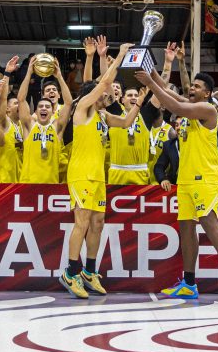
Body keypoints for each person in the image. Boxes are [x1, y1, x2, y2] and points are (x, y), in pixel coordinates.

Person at [137, 68, 218, 304]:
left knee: (209, 222)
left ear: (207, 93)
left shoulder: (208, 110)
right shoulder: (190, 106)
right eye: (192, 85)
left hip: (204, 176)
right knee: (186, 228)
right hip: (186, 178)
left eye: (197, 86)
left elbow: (176, 106)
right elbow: (171, 94)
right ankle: (189, 283)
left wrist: (151, 85)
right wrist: (154, 74)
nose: (192, 88)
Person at [60, 42, 137, 299]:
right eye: (103, 94)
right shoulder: (83, 108)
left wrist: (141, 100)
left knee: (98, 223)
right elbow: (104, 83)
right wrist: (121, 55)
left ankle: (89, 272)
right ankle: (70, 272)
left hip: (97, 176)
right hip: (81, 173)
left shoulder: (103, 117)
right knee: (81, 223)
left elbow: (125, 122)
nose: (107, 96)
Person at [17, 56, 73, 184]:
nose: (43, 108)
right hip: (28, 182)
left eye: (47, 107)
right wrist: (29, 73)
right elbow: (21, 99)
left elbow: (68, 103)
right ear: (36, 111)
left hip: (51, 183)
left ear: (52, 112)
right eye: (40, 106)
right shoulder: (29, 125)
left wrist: (59, 77)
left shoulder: (57, 127)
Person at [108, 84, 162, 186]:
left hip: (140, 172)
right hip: (117, 172)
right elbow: (106, 85)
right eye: (129, 95)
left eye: (136, 95)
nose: (133, 97)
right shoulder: (115, 112)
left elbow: (159, 92)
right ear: (122, 100)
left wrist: (152, 80)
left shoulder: (146, 114)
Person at [153, 124, 179, 189]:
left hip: (193, 182)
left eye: (182, 124)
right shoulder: (169, 145)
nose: (178, 127)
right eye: (176, 125)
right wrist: (163, 179)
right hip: (174, 184)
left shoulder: (196, 144)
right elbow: (159, 166)